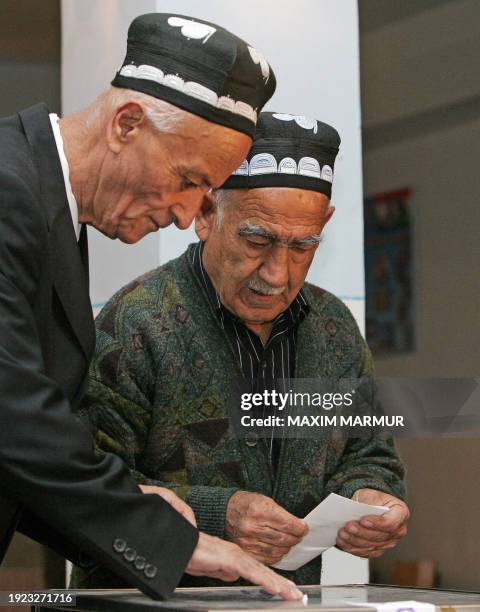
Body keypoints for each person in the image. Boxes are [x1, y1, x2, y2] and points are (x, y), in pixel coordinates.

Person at [0, 11, 305, 601]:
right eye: (188, 180)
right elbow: (12, 414)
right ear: (127, 123)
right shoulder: (8, 189)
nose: (187, 215)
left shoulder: (50, 207)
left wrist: (133, 505)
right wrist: (171, 539)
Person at [72, 112, 409, 588]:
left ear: (324, 225)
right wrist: (217, 514)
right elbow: (80, 490)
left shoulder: (334, 330)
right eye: (257, 240)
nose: (277, 274)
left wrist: (371, 498)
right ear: (207, 215)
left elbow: (369, 454)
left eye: (302, 246)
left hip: (287, 599)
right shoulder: (139, 323)